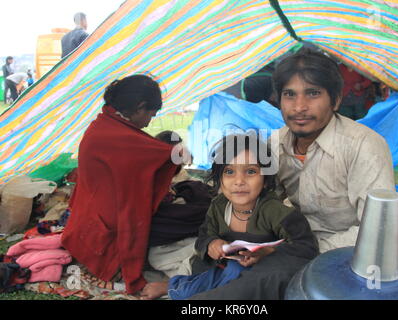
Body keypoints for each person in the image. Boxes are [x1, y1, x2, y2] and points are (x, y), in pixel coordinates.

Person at [272, 49, 398, 255]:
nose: (299, 107)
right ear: (279, 100)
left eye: (313, 93)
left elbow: (377, 231)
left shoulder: (364, 146)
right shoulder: (275, 143)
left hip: (353, 246)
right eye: (289, 95)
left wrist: (305, 250)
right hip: (303, 239)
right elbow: (262, 204)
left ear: (336, 100)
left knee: (396, 233)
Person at [143, 133, 318, 300]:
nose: (239, 181)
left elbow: (306, 246)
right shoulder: (219, 206)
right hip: (220, 268)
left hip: (257, 271)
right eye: (229, 172)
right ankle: (176, 286)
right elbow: (204, 235)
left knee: (247, 279)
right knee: (213, 273)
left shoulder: (276, 212)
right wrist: (212, 243)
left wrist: (268, 251)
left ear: (265, 179)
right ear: (219, 179)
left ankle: (177, 288)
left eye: (250, 172)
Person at [61, 75, 182, 296]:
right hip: (102, 234)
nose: (148, 123)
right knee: (180, 222)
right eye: (149, 115)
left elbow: (141, 153)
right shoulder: (111, 134)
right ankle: (117, 265)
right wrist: (176, 153)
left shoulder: (107, 126)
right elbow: (153, 154)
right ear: (139, 107)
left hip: (92, 222)